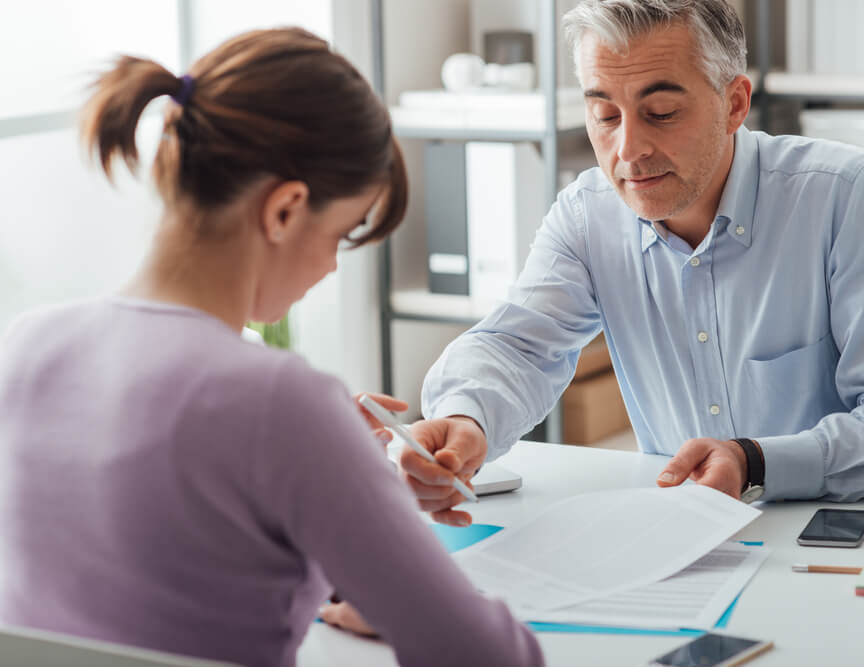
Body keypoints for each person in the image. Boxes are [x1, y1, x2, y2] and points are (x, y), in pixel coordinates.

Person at [0, 28, 542, 667]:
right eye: (340, 235)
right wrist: (342, 470)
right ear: (284, 211)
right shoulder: (279, 402)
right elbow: (487, 657)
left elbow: (155, 564)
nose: (332, 269)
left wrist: (360, 491)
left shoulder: (23, 345)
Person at [403, 0, 864, 527]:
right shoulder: (587, 213)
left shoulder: (845, 194)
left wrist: (756, 462)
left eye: (661, 112)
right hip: (677, 537)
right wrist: (464, 420)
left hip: (831, 535)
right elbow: (515, 346)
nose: (627, 150)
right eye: (604, 115)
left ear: (735, 104)